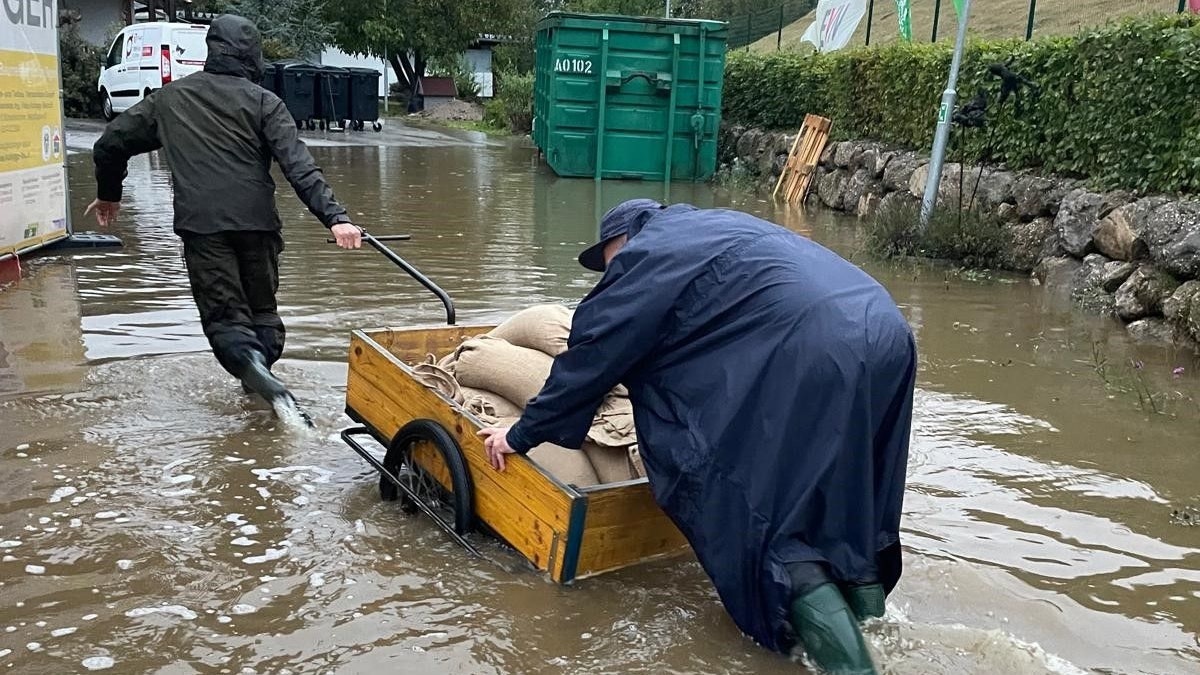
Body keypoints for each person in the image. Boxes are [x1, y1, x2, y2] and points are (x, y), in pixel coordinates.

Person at [479, 199, 916, 674]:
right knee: (852, 505)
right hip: (885, 331)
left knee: (769, 520)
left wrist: (520, 435)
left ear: (621, 241)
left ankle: (857, 669)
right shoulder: (715, 226)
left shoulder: (646, 254)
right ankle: (880, 640)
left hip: (814, 348)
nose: (608, 275)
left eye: (606, 262)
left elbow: (591, 358)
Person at [87, 15, 361, 419]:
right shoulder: (266, 102)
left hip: (204, 229)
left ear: (210, 51)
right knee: (263, 316)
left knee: (226, 321)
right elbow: (299, 166)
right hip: (259, 228)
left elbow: (109, 143)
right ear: (253, 55)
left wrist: (110, 195)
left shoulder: (170, 99)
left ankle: (267, 387)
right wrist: (336, 218)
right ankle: (261, 389)